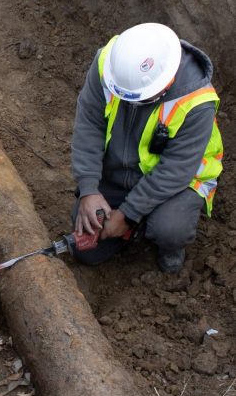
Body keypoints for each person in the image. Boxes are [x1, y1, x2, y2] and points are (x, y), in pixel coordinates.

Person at [71, 22, 223, 273]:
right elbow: (89, 125)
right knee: (85, 239)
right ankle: (132, 230)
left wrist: (127, 214)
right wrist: (88, 189)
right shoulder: (109, 64)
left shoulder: (197, 101)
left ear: (166, 83)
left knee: (169, 229)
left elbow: (176, 169)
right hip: (119, 172)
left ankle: (164, 242)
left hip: (180, 183)